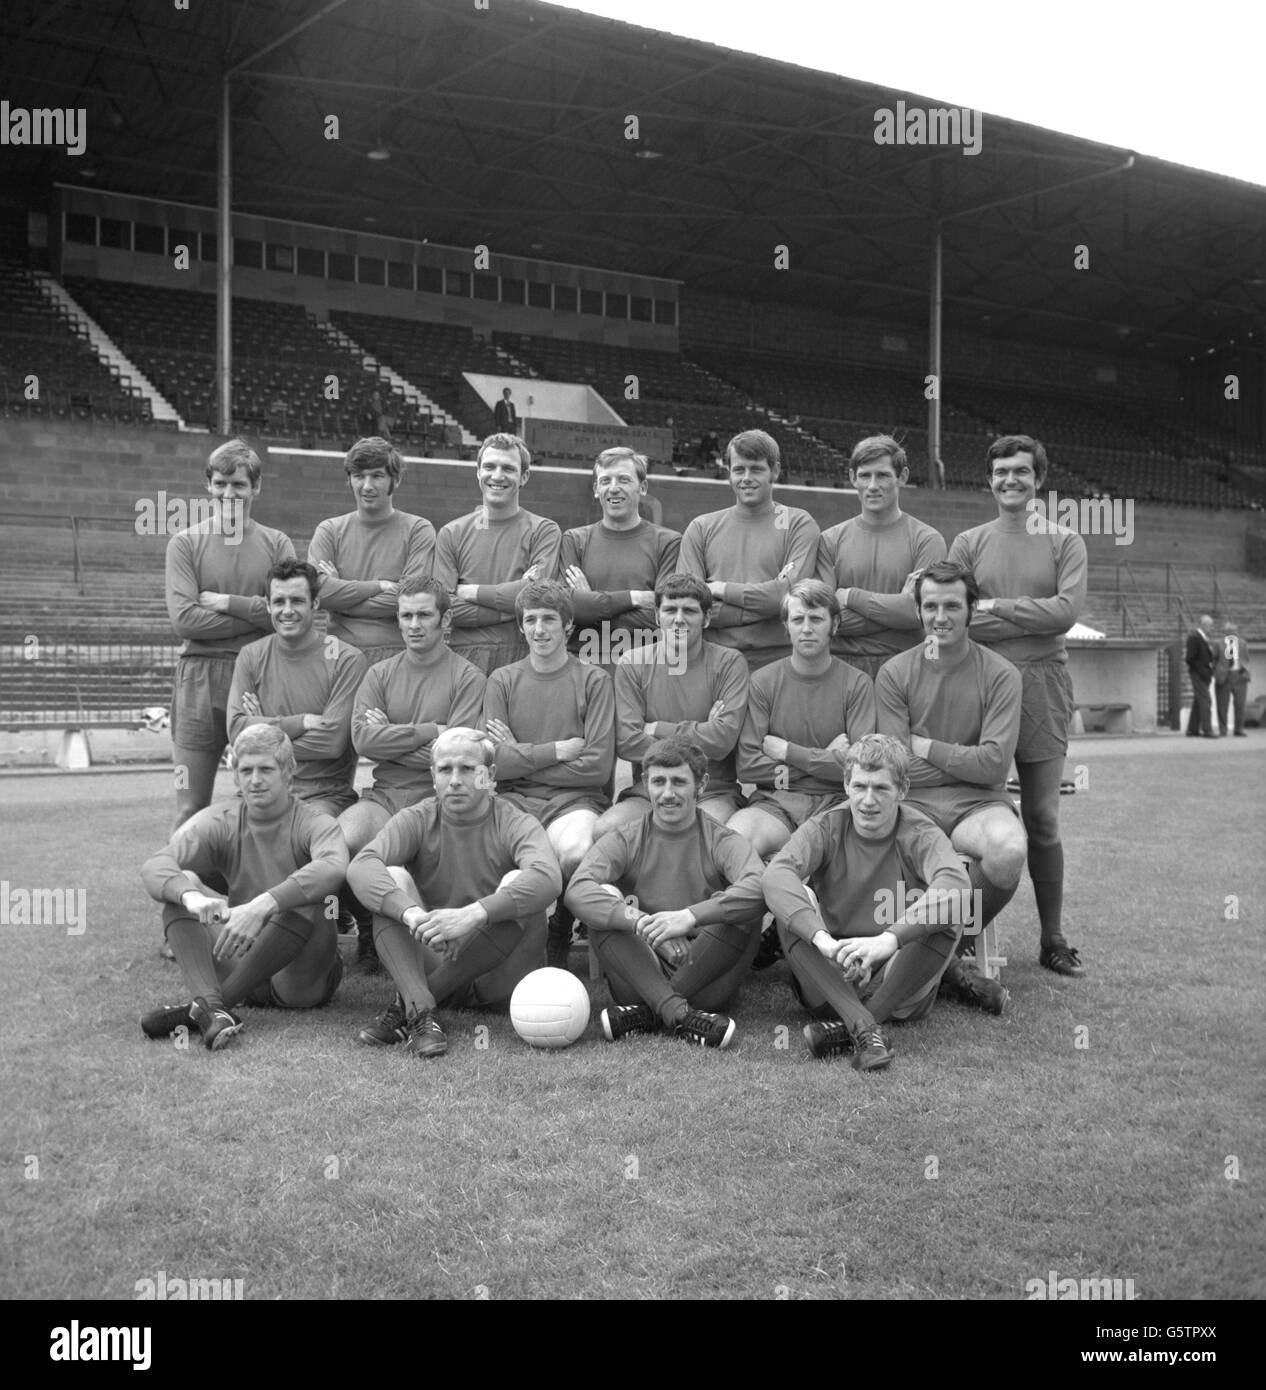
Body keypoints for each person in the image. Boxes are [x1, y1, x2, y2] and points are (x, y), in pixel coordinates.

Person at [947, 435, 1088, 978]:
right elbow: (953, 614)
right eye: (1001, 471)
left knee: (1043, 817)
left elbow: (1065, 613)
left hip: (1041, 683)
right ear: (989, 479)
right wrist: (1026, 614)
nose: (1011, 480)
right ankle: (959, 931)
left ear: (1039, 479)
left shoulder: (1064, 540)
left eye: (1022, 472)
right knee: (969, 811)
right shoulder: (969, 541)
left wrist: (998, 607)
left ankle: (1052, 937)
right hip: (977, 682)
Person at [346, 727, 563, 1056]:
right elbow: (361, 866)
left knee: (520, 882)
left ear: (489, 775)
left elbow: (548, 878)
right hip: (439, 949)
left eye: (467, 769)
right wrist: (413, 913)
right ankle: (422, 1010)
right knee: (389, 880)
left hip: (503, 979)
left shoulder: (515, 821)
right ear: (433, 776)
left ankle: (414, 1002)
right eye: (445, 769)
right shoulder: (418, 817)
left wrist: (473, 915)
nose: (456, 779)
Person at [762, 734, 973, 1072]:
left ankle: (862, 1025)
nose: (868, 800)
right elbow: (776, 875)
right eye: (860, 786)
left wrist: (888, 941)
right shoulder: (827, 825)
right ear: (846, 784)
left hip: (895, 978)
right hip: (832, 975)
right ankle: (864, 1026)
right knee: (791, 906)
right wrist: (824, 942)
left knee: (951, 910)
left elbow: (958, 888)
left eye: (881, 789)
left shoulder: (920, 831)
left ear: (902, 790)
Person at [139, 725, 347, 1052]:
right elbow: (155, 864)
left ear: (289, 773)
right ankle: (214, 1008)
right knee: (181, 890)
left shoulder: (315, 822)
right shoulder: (222, 820)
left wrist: (263, 905)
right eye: (246, 770)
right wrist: (191, 898)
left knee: (316, 895)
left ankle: (207, 1008)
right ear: (235, 776)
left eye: (266, 769)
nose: (255, 780)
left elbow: (334, 868)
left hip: (299, 982)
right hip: (241, 955)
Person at [875, 560, 1024, 1014]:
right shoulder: (895, 673)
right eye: (931, 606)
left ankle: (940, 953)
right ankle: (949, 967)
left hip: (978, 805)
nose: (941, 617)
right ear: (918, 611)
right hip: (912, 805)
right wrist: (965, 759)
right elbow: (896, 765)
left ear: (971, 609)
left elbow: (996, 765)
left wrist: (929, 748)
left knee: (1009, 850)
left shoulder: (1001, 674)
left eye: (952, 606)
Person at [566, 738, 765, 1049]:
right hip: (641, 972)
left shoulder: (721, 839)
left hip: (708, 978)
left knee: (743, 907)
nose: (668, 793)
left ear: (701, 785)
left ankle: (651, 1012)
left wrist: (688, 918)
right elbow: (578, 890)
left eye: (679, 782)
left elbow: (758, 886)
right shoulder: (626, 838)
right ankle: (681, 1016)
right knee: (603, 902)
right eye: (658, 781)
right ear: (646, 784)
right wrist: (643, 923)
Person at [339, 577, 487, 971]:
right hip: (386, 795)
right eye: (406, 615)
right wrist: (430, 731)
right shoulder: (379, 674)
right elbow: (363, 741)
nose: (415, 624)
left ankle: (430, 936)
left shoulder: (469, 676)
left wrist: (392, 733)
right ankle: (371, 927)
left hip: (440, 797)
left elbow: (456, 756)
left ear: (446, 620)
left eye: (424, 614)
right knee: (342, 840)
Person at [482, 580, 615, 969]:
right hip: (512, 801)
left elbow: (598, 766)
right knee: (488, 855)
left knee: (574, 851)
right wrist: (556, 750)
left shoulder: (594, 680)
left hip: (574, 802)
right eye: (531, 620)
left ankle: (562, 920)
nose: (539, 629)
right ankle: (515, 946)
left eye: (549, 619)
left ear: (568, 626)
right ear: (521, 626)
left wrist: (519, 752)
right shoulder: (502, 680)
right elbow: (494, 764)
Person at [165, 438, 295, 827]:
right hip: (199, 681)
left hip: (259, 676)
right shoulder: (185, 543)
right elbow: (185, 621)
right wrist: (258, 610)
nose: (229, 493)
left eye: (238, 484)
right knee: (190, 807)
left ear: (256, 487)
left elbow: (288, 616)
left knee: (261, 803)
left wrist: (225, 602)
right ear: (208, 485)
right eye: (220, 483)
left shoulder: (277, 544)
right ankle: (182, 889)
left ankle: (257, 889)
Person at [728, 580, 877, 859]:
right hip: (776, 800)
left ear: (834, 625)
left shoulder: (857, 684)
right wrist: (827, 757)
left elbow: (860, 767)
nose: (806, 628)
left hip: (838, 803)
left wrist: (788, 752)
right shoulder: (762, 682)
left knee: (858, 851)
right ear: (786, 627)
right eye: (798, 619)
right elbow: (748, 767)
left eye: (816, 619)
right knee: (735, 840)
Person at [601, 574, 749, 834]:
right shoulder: (632, 663)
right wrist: (703, 731)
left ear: (707, 618)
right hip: (650, 790)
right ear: (657, 617)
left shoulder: (729, 663)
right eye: (670, 610)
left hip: (710, 791)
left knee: (701, 834)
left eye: (690, 611)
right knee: (605, 830)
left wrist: (658, 728)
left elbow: (722, 741)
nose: (679, 619)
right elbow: (627, 743)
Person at [227, 558, 367, 817]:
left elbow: (332, 743)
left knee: (300, 846)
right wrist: (300, 722)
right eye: (279, 601)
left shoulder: (347, 659)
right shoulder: (250, 656)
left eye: (297, 601)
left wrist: (261, 729)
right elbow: (236, 732)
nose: (287, 610)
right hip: (258, 789)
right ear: (268, 605)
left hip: (322, 794)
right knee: (195, 841)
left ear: (315, 604)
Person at [678, 429, 819, 671]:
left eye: (756, 469)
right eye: (738, 470)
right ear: (728, 473)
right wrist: (766, 609)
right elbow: (690, 605)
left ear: (774, 471)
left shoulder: (798, 523)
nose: (746, 478)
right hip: (713, 662)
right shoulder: (701, 528)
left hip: (780, 662)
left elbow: (787, 599)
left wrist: (720, 589)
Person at [815, 435, 947, 681]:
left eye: (883, 475)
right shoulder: (829, 540)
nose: (873, 485)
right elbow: (822, 619)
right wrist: (898, 608)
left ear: (903, 476)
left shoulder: (927, 540)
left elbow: (920, 615)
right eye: (865, 475)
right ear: (853, 478)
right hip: (840, 667)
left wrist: (850, 596)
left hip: (905, 670)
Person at [433, 434, 561, 675]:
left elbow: (538, 600)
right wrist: (511, 607)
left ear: (523, 477)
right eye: (490, 467)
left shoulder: (544, 531)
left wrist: (471, 592)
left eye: (508, 468)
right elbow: (443, 608)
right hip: (464, 661)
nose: (497, 475)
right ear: (478, 472)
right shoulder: (452, 533)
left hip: (524, 659)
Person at [307, 437, 436, 665]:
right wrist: (378, 586)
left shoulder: (418, 530)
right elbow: (321, 594)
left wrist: (343, 594)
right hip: (337, 656)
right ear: (350, 479)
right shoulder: (329, 530)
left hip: (397, 656)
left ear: (394, 479)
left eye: (377, 476)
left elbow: (409, 600)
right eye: (359, 476)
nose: (367, 486)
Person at [558, 446, 681, 670]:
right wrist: (633, 598)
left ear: (642, 487)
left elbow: (665, 616)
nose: (613, 488)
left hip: (646, 669)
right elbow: (565, 610)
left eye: (623, 480)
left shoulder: (668, 542)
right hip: (584, 668)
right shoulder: (575, 540)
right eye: (605, 481)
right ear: (596, 489)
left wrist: (592, 603)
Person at [1213, 618, 1251, 737]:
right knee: (1222, 705)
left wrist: (1244, 671)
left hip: (1239, 676)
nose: (1232, 632)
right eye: (1229, 630)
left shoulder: (1242, 643)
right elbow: (1214, 659)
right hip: (1224, 676)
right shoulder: (1218, 643)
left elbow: (1246, 659)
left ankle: (1238, 729)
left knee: (1240, 705)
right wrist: (1217, 671)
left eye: (1234, 630)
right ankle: (1223, 730)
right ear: (1225, 631)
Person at [1185, 613, 1218, 738]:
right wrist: (1202, 671)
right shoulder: (1195, 638)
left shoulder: (1203, 638)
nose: (1211, 628)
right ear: (1204, 625)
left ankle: (1192, 729)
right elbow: (1190, 658)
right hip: (1198, 674)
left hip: (1204, 674)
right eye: (1210, 625)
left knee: (1199, 702)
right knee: (1206, 701)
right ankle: (1207, 730)